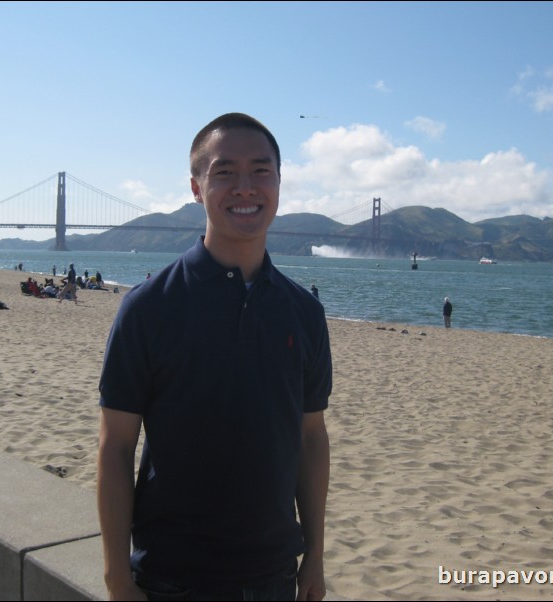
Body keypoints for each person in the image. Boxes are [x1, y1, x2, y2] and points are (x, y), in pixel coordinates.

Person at [97, 113, 332, 602]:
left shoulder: (304, 312)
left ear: (279, 183)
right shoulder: (147, 308)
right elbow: (115, 447)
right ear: (196, 187)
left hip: (274, 578)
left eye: (261, 171)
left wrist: (315, 555)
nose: (245, 188)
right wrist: (117, 578)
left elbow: (311, 438)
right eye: (224, 172)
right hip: (170, 578)